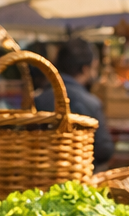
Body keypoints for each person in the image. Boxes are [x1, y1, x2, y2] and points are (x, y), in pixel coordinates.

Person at [35, 38, 112, 169]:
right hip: (80, 173)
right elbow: (104, 149)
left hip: (42, 171)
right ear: (85, 69)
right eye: (94, 68)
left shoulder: (38, 99)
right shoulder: (91, 103)